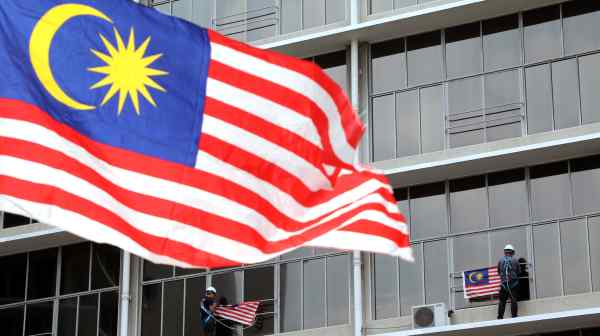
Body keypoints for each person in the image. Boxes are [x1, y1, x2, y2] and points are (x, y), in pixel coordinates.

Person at [497, 244, 520, 319]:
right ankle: (514, 316)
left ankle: (500, 317)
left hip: (503, 284)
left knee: (502, 301)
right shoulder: (515, 260)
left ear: (505, 252)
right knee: (513, 300)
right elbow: (519, 271)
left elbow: (499, 272)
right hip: (513, 284)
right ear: (512, 252)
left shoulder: (500, 260)